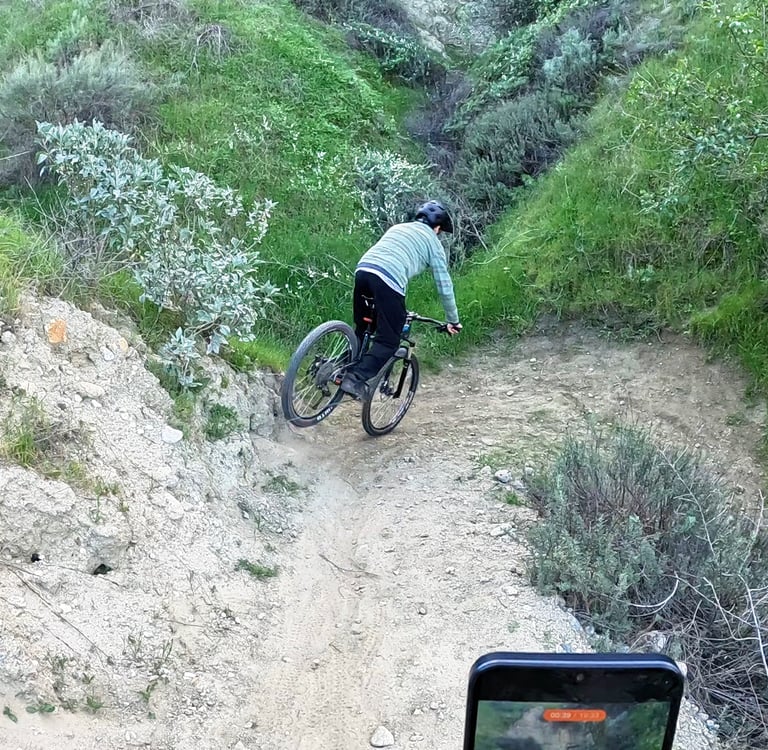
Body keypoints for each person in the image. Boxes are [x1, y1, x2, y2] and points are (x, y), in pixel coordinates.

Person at [340, 200, 462, 401]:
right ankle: (355, 379)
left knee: (363, 329)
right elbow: (444, 286)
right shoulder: (434, 244)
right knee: (389, 341)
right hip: (389, 279)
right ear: (437, 227)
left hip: (363, 270)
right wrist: (453, 320)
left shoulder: (398, 228)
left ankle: (339, 366)